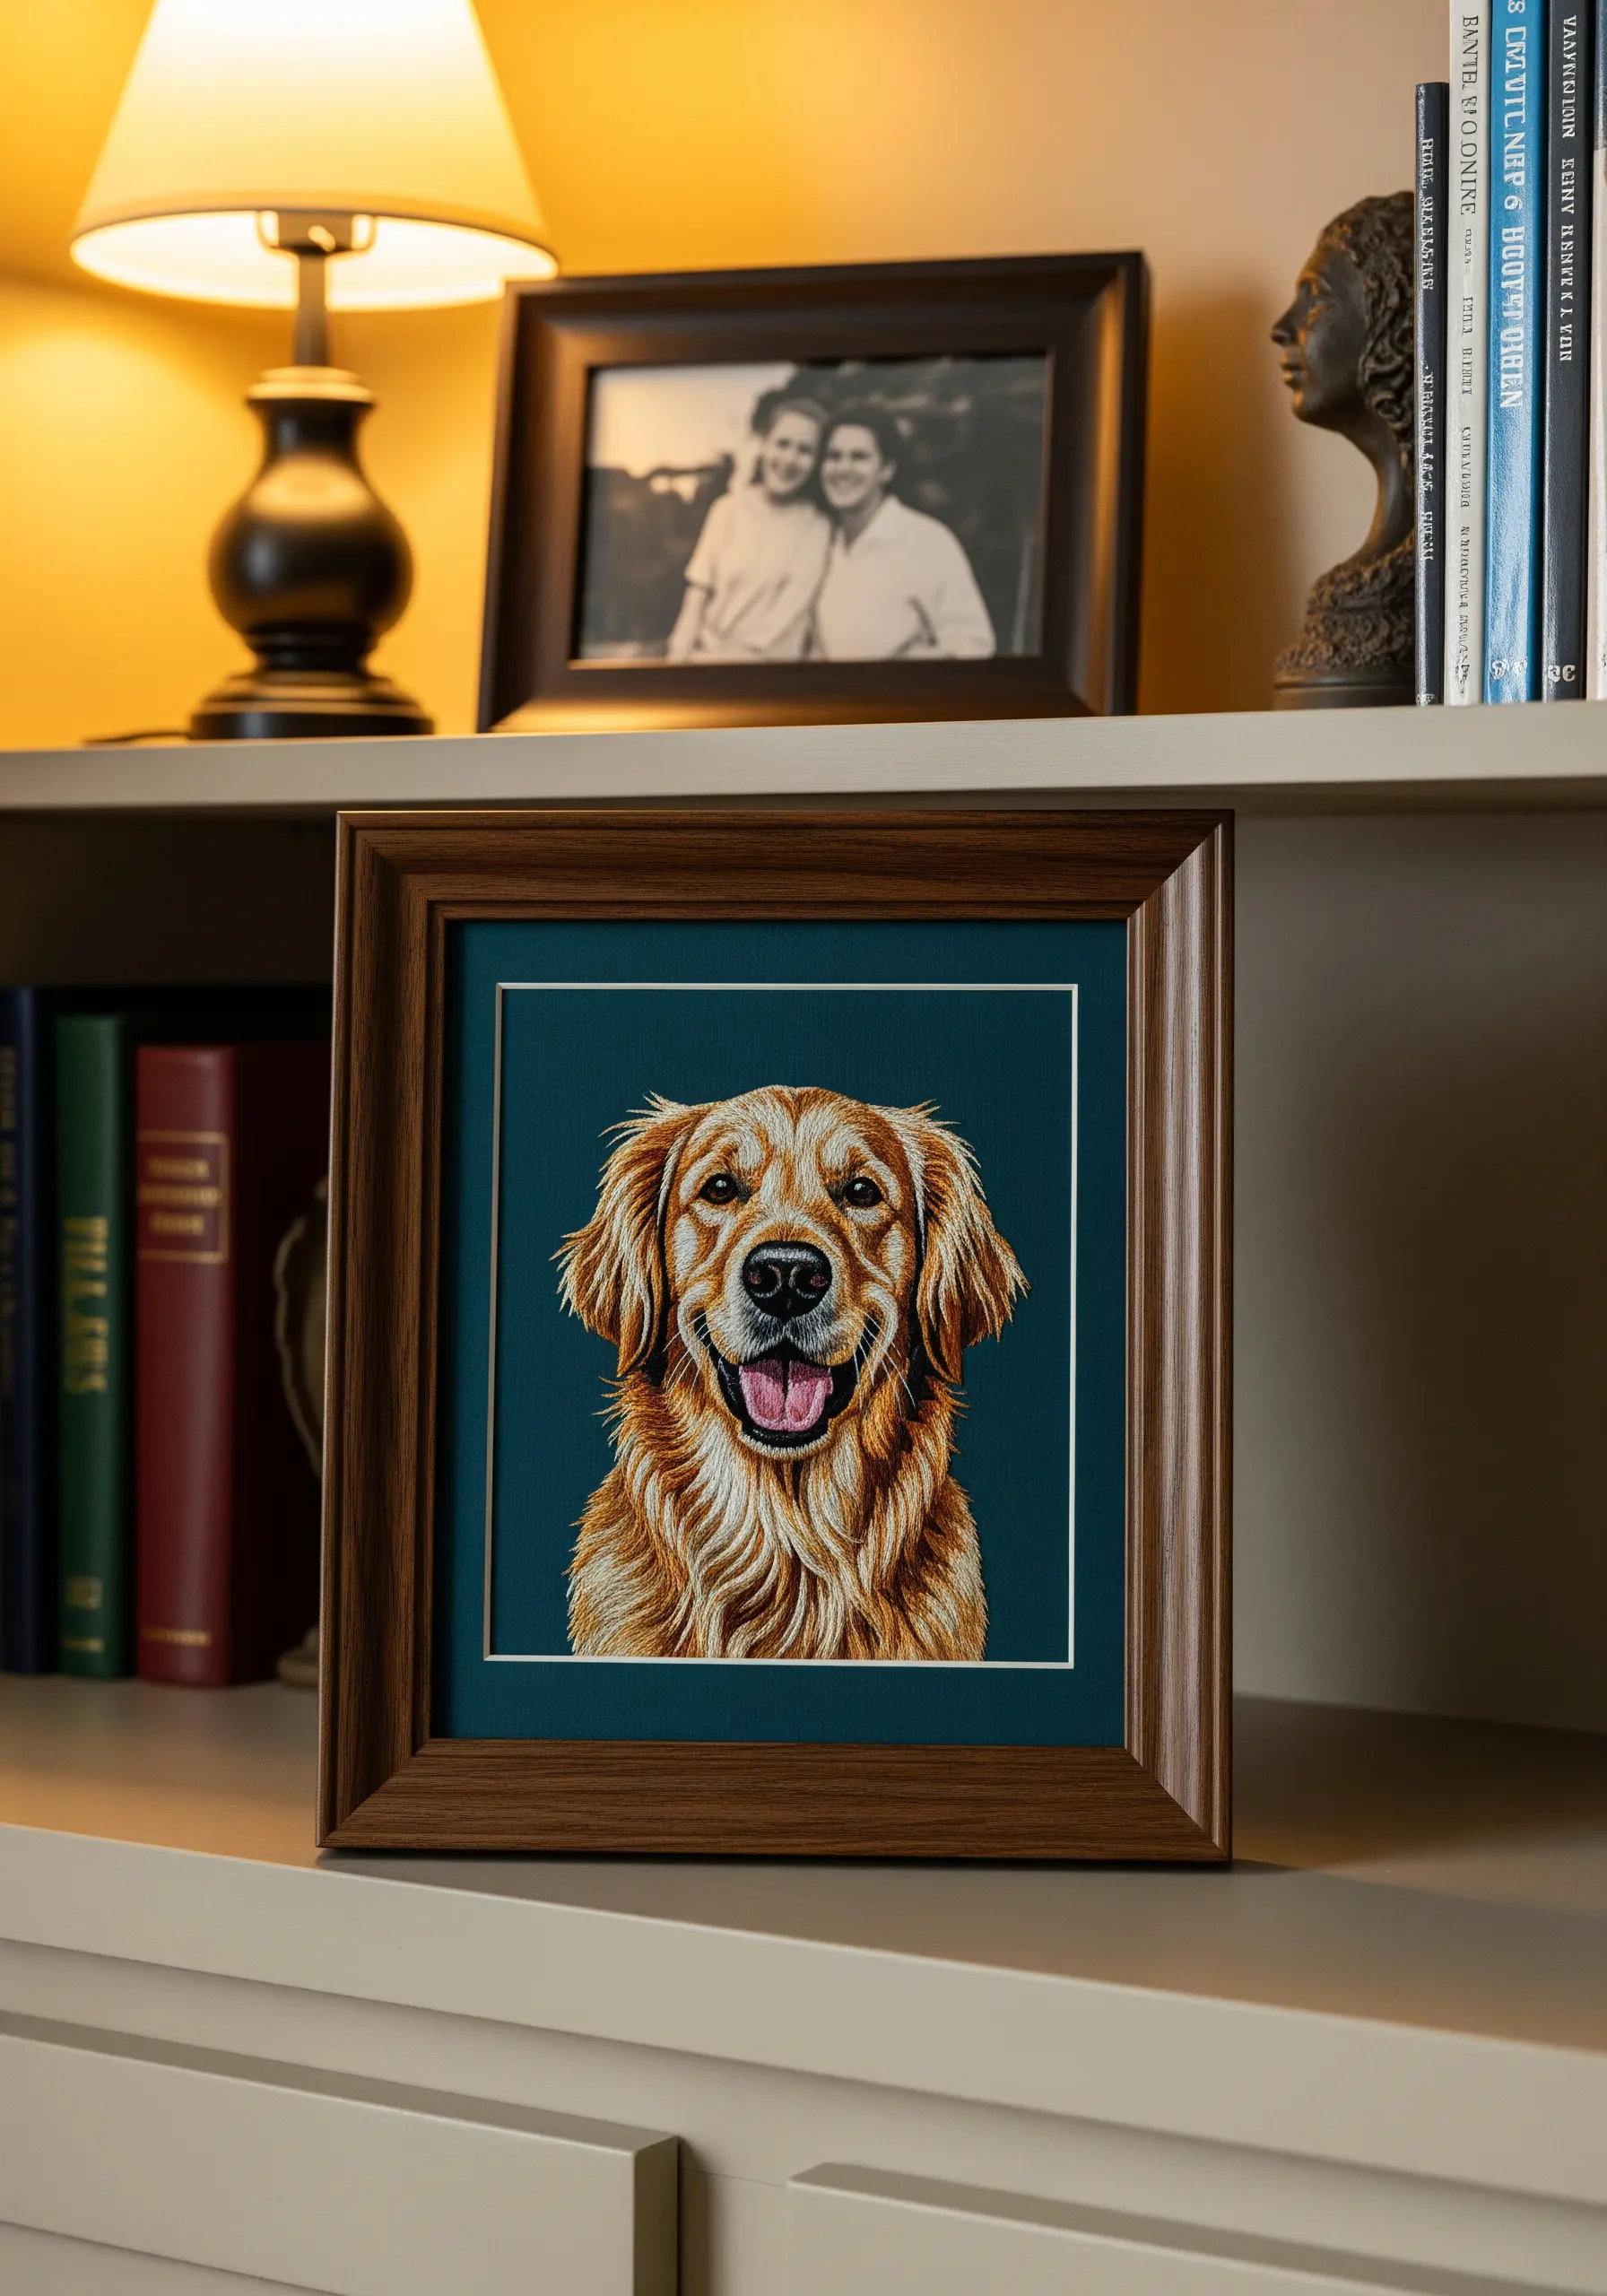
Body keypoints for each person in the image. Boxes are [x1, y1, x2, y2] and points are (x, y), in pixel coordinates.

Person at [810, 405, 995, 660]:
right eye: (833, 456)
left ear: (886, 470)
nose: (843, 468)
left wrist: (901, 671)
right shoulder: (822, 541)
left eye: (859, 457)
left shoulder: (926, 541)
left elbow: (973, 645)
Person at [665, 396, 832, 661]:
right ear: (764, 446)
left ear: (817, 461)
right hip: (707, 667)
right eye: (782, 444)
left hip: (776, 680)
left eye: (804, 450)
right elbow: (696, 599)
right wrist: (675, 667)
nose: (789, 459)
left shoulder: (821, 526)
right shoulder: (727, 510)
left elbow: (800, 623)